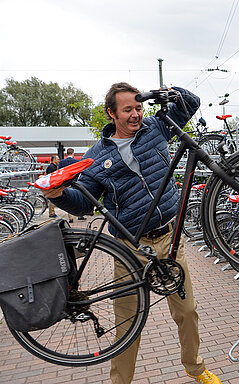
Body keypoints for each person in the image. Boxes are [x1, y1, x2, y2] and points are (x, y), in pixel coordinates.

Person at [42, 82, 221, 384]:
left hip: (169, 238)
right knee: (127, 324)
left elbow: (191, 103)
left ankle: (196, 369)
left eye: (138, 108)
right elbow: (85, 204)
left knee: (187, 312)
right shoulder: (96, 155)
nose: (136, 115)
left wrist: (169, 91)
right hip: (128, 246)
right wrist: (57, 195)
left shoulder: (156, 128)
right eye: (128, 110)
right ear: (111, 113)